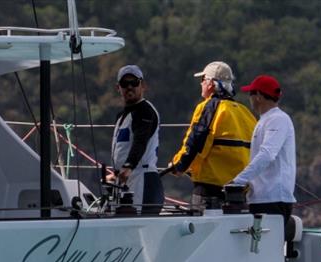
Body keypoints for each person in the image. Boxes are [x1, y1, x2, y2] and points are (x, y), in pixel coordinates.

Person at [229, 74, 303, 262]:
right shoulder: (266, 120)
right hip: (262, 198)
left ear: (258, 96)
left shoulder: (278, 120)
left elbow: (267, 154)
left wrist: (239, 180)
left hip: (273, 198)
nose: (249, 97)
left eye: (251, 93)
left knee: (271, 255)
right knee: (264, 254)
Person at [169, 61, 256, 209]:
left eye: (202, 80)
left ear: (210, 83)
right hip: (239, 193)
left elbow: (196, 143)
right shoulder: (245, 112)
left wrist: (179, 165)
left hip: (209, 191)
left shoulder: (208, 107)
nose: (201, 84)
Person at [108, 64, 163, 214]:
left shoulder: (145, 111)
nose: (129, 87)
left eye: (134, 83)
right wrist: (117, 173)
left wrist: (128, 166)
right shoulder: (121, 116)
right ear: (118, 88)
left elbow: (140, 141)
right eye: (125, 84)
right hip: (126, 180)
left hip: (142, 179)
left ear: (143, 85)